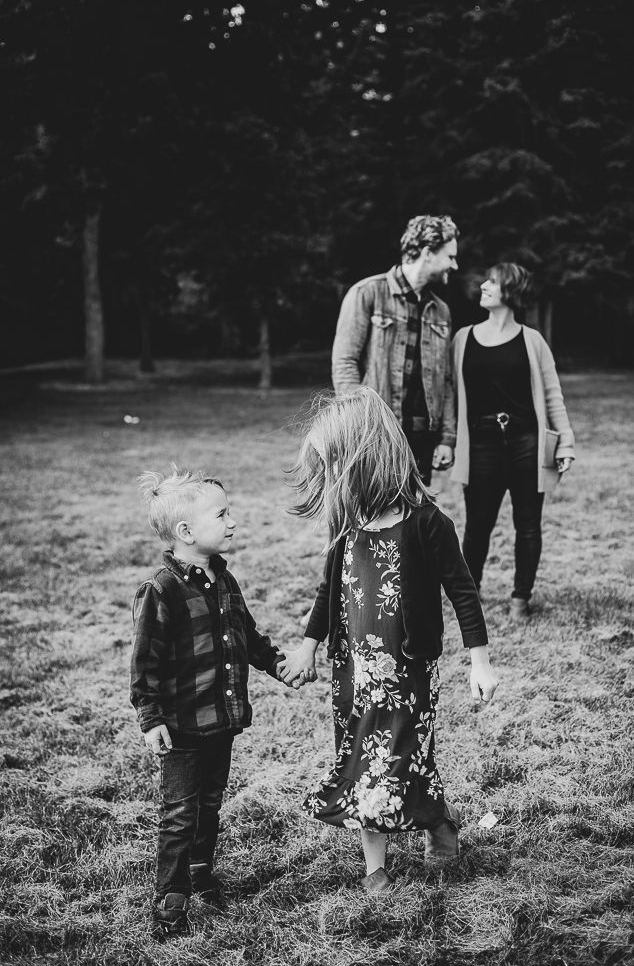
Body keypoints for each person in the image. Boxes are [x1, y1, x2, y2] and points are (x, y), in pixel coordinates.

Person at [278, 388, 498, 892]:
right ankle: (377, 867)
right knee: (364, 761)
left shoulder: (427, 524)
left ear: (366, 460)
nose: (332, 481)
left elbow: (463, 592)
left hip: (408, 674)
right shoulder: (347, 523)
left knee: (401, 759)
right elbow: (328, 589)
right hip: (353, 672)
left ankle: (435, 822)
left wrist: (479, 662)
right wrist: (308, 646)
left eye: (336, 468)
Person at [130, 466, 301, 940]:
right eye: (222, 514)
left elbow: (246, 635)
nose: (232, 521)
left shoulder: (225, 581)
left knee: (210, 804)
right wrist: (151, 718)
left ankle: (202, 875)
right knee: (181, 812)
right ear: (186, 531)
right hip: (182, 726)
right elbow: (145, 664)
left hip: (220, 721)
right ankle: (171, 899)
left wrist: (279, 664)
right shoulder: (161, 591)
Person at [450, 263, 575, 618]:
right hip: (480, 444)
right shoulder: (463, 339)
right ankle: (468, 599)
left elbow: (553, 397)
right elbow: (449, 396)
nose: (484, 285)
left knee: (528, 525)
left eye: (493, 281)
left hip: (527, 444)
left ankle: (521, 599)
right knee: (477, 527)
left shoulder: (533, 341)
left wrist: (564, 442)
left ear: (510, 292)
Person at [331, 214, 460, 486]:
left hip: (422, 442)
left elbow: (445, 381)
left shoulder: (441, 311)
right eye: (450, 256)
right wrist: (360, 427)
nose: (455, 265)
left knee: (413, 524)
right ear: (427, 253)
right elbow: (345, 364)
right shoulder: (366, 293)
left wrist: (447, 438)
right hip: (375, 435)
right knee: (373, 521)